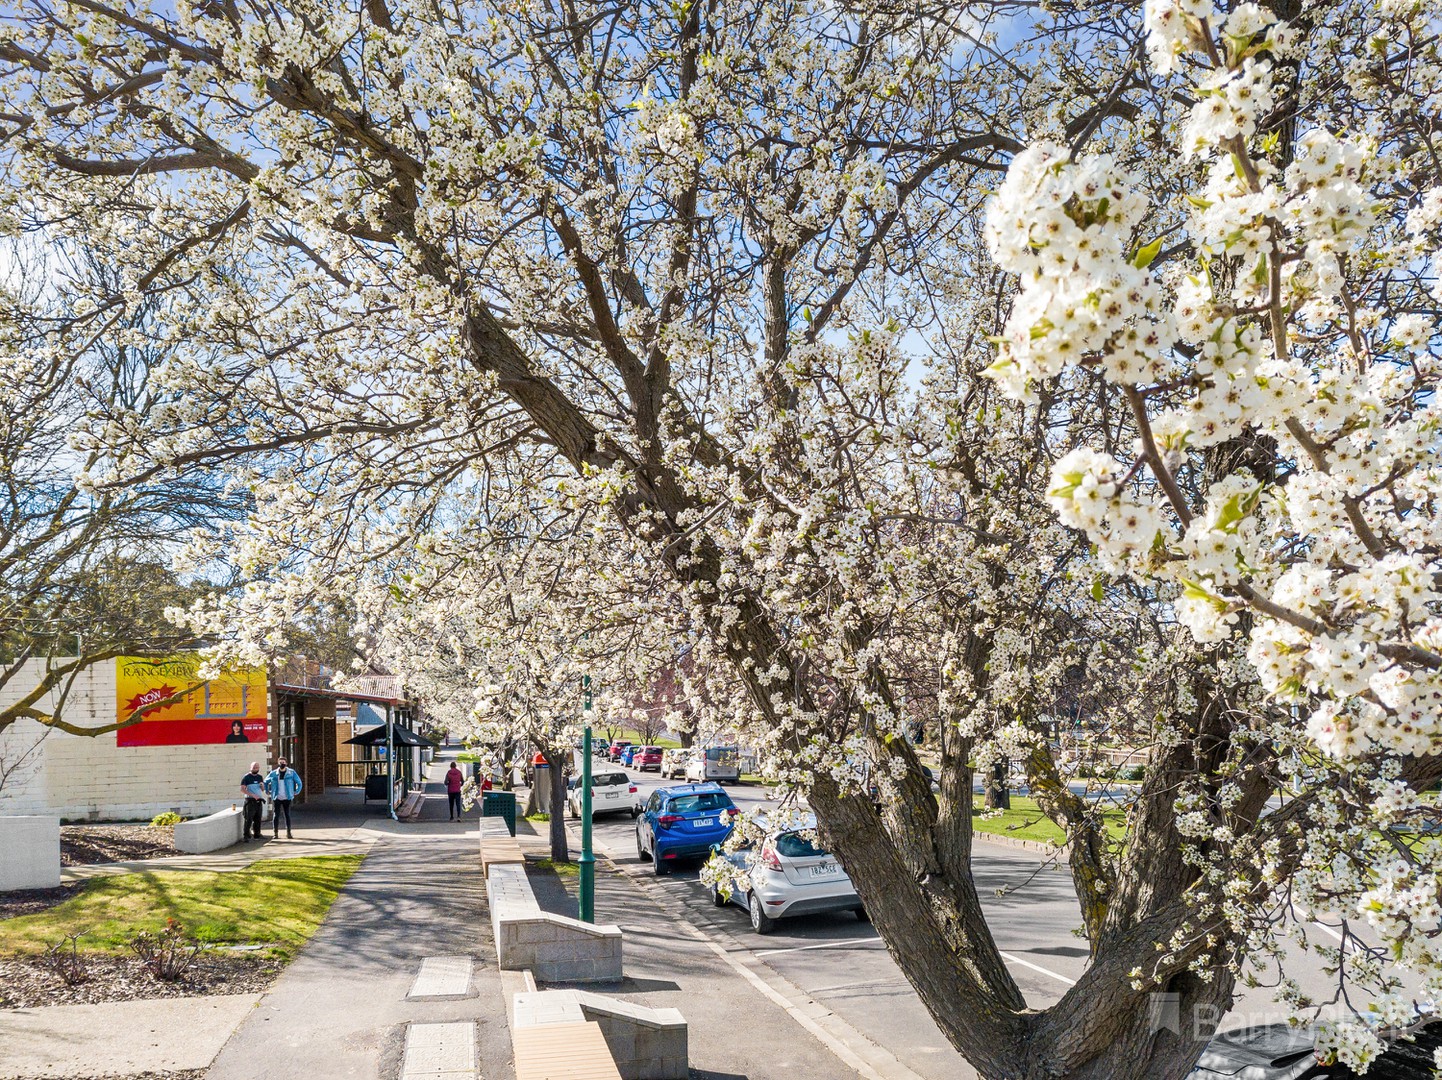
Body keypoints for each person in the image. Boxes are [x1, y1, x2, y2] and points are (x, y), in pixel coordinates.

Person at [265, 758, 302, 838]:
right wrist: (267, 790)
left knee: (287, 814)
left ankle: (288, 832)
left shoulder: (291, 772)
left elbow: (299, 782)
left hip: (287, 797)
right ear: (278, 763)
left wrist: (297, 791)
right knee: (276, 815)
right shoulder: (274, 773)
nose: (282, 764)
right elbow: (266, 781)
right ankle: (275, 833)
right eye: (280, 762)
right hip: (277, 796)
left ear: (286, 763)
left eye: (283, 762)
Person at [239, 761, 266, 840]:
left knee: (258, 819)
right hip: (250, 800)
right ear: (250, 768)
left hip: (258, 800)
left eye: (257, 767)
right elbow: (242, 789)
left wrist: (262, 786)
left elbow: (262, 789)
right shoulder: (246, 777)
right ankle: (246, 835)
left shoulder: (260, 777)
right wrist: (252, 795)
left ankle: (257, 834)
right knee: (249, 819)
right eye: (254, 767)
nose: (255, 769)